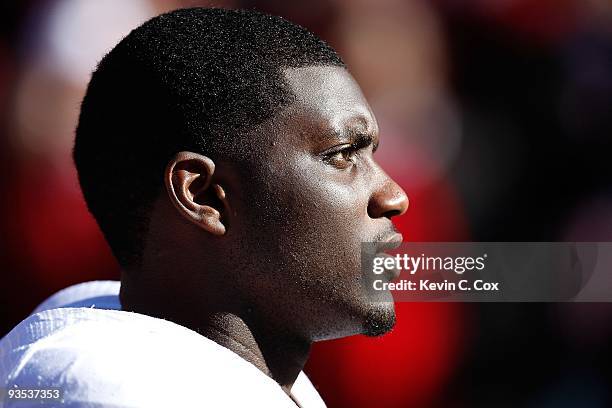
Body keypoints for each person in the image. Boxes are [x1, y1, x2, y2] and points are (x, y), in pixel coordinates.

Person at [0, 8, 408, 407]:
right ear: (203, 195)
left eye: (371, 153)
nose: (394, 196)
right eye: (341, 155)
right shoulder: (109, 392)